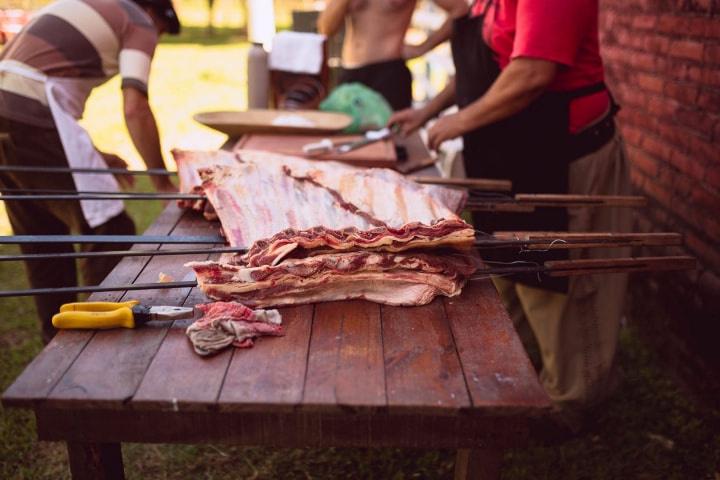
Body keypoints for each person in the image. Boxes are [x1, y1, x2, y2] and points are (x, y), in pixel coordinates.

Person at [390, 0, 633, 430]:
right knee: (512, 268)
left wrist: (459, 121)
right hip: (508, 152)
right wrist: (430, 112)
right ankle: (520, 373)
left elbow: (531, 73)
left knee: (561, 278)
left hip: (560, 154)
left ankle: (575, 403)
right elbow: (484, 70)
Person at [0, 0, 180, 343]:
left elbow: (26, 76)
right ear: (156, 14)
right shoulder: (138, 20)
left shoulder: (79, 4)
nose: (155, 40)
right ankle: (100, 351)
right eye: (161, 32)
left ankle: (55, 343)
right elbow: (135, 106)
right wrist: (161, 181)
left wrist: (93, 155)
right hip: (33, 115)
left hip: (10, 116)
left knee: (44, 238)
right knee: (110, 231)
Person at [317, 0, 467, 111]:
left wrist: (423, 47)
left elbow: (460, 8)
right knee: (340, 143)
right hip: (349, 73)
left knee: (388, 146)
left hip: (388, 72)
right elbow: (326, 29)